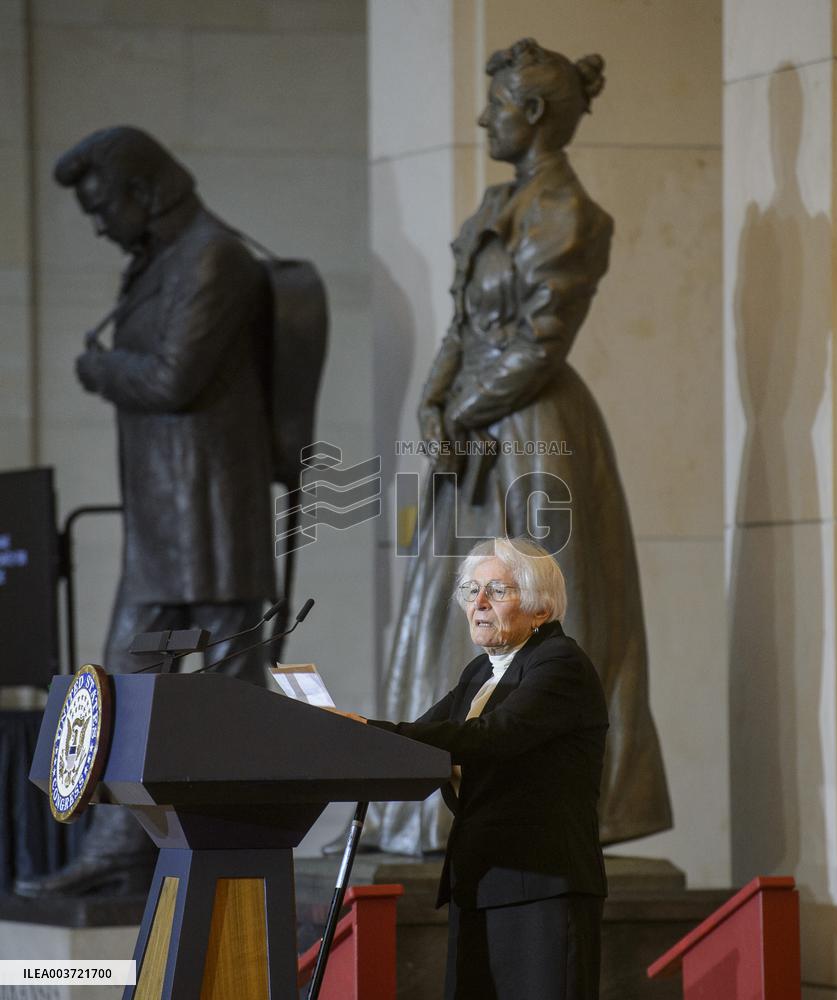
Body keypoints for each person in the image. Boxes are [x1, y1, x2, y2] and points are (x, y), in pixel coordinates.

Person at [372, 38, 671, 857]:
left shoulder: (571, 217)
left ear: (532, 113)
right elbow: (463, 327)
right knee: (445, 604)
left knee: (538, 605)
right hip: (471, 432)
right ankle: (419, 812)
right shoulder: (493, 207)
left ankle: (560, 806)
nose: (481, 117)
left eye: (495, 104)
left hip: (533, 433)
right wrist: (433, 408)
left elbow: (542, 341)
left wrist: (461, 410)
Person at [15, 127, 275, 897]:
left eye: (103, 208)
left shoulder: (212, 256)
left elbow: (171, 378)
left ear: (143, 189)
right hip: (168, 523)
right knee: (124, 681)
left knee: (231, 688)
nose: (98, 226)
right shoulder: (162, 262)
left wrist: (98, 368)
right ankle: (119, 849)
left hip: (212, 518)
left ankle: (240, 843)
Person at [339, 537, 608, 998]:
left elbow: (491, 738)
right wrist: (352, 735)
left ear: (540, 608)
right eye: (470, 591)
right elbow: (421, 737)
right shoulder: (480, 673)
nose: (478, 604)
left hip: (539, 887)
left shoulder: (560, 664)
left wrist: (367, 728)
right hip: (481, 881)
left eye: (496, 591)